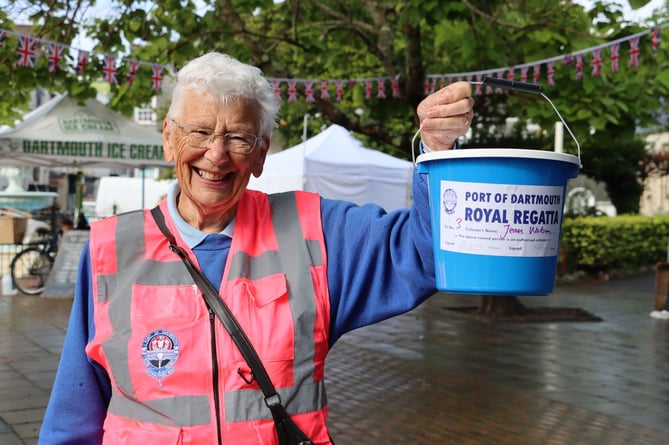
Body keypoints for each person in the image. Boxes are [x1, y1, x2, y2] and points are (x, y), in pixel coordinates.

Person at [39, 52, 474, 444]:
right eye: (200, 131)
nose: (217, 154)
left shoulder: (316, 233)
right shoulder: (109, 248)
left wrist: (438, 153)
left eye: (239, 138)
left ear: (261, 154)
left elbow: (429, 252)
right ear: (169, 138)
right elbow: (74, 413)